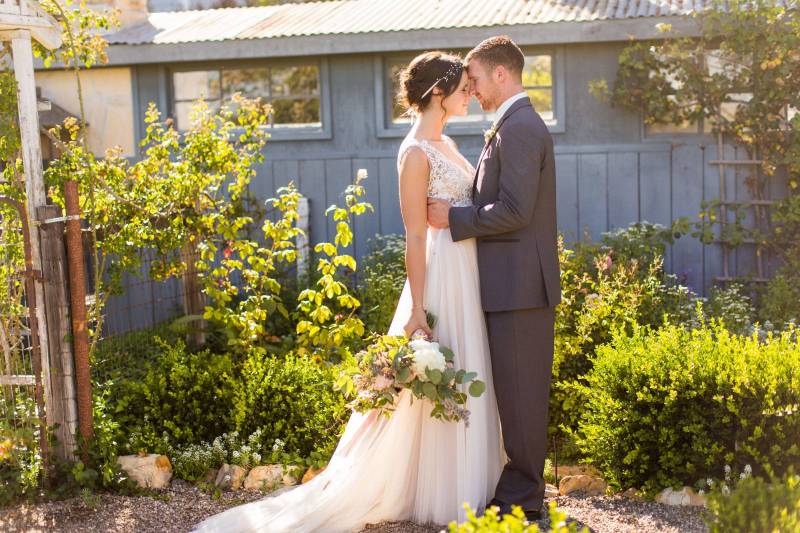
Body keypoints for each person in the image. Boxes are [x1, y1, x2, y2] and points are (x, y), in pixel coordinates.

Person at [193, 50, 505, 533]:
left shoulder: (448, 141)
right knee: (440, 373)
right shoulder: (416, 152)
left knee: (467, 368)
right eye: (464, 88)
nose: (471, 94)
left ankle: (466, 485)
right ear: (438, 94)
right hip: (441, 276)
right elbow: (415, 235)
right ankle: (438, 491)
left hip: (468, 271)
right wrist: (418, 308)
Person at [427, 35, 561, 521]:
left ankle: (524, 502)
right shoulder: (510, 125)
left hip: (523, 288)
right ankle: (518, 492)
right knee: (513, 395)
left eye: (477, 79)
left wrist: (455, 219)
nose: (475, 89)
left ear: (501, 74)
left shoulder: (521, 127)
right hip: (510, 286)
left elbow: (515, 211)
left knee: (523, 399)